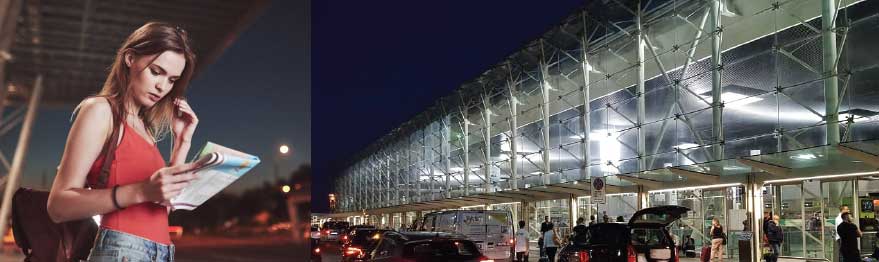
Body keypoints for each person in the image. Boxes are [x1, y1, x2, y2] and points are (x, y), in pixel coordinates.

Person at [46, 22, 199, 262]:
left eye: (172, 79)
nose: (162, 86)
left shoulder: (145, 129)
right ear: (130, 58)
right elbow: (58, 206)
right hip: (122, 252)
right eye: (156, 71)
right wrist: (141, 190)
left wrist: (183, 142)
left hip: (162, 253)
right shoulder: (100, 111)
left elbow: (160, 210)